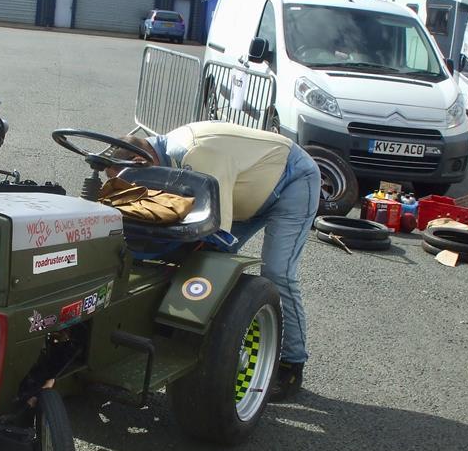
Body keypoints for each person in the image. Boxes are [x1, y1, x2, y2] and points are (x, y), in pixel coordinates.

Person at [109, 122, 320, 400]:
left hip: (292, 179)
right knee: (207, 263)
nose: (134, 191)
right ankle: (209, 336)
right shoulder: (168, 155)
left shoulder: (197, 156)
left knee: (277, 272)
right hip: (247, 186)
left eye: (131, 183)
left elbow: (213, 230)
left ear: (140, 161)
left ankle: (291, 364)